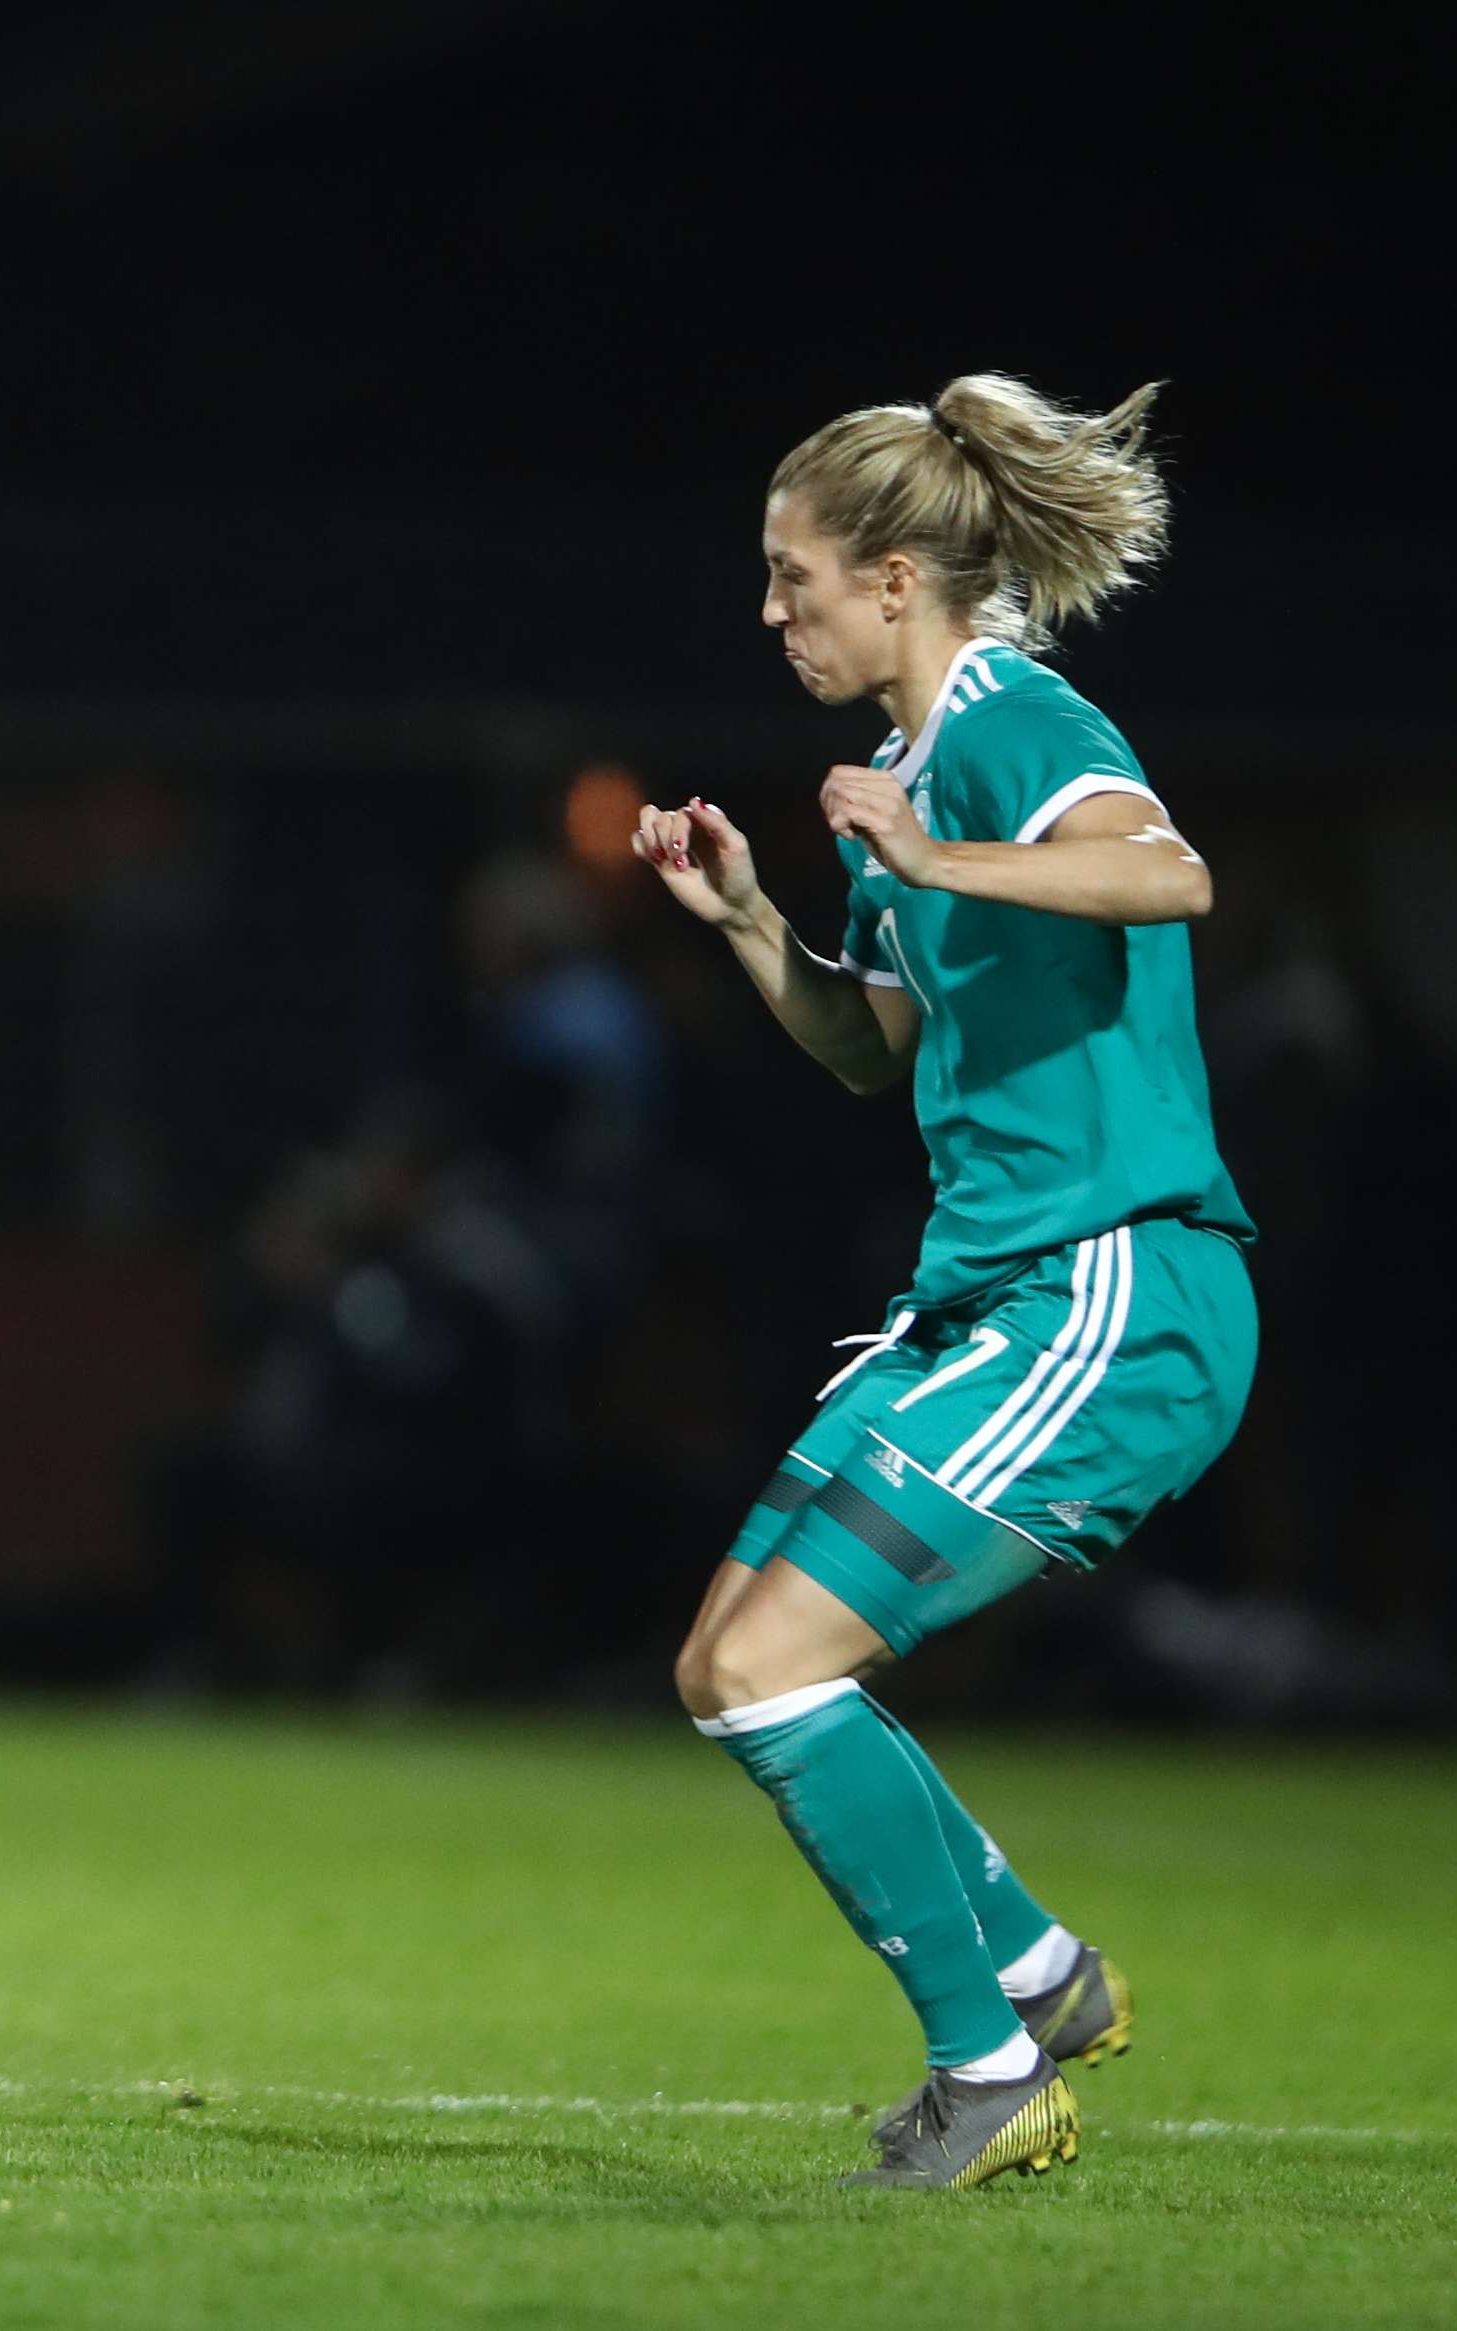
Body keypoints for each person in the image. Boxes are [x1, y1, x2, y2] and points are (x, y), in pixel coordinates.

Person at [637, 375, 1255, 2189]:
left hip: (1112, 1290)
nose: (772, 615)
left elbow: (1168, 876)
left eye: (793, 577)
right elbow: (869, 1051)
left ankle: (986, 2072)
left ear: (896, 580)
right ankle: (1042, 1981)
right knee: (720, 1665)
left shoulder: (1000, 717)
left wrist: (930, 851)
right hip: (988, 1294)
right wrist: (761, 924)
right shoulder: (894, 787)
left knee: (766, 1670)